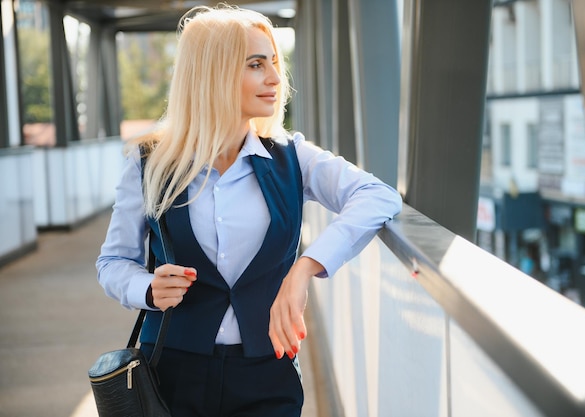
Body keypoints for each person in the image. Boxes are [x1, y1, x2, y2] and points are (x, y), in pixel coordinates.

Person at [96, 4, 402, 417]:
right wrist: (147, 288)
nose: (276, 78)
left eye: (274, 62)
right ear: (212, 73)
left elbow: (379, 195)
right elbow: (113, 262)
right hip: (170, 371)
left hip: (267, 372)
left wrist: (304, 269)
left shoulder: (293, 158)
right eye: (256, 65)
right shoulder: (149, 162)